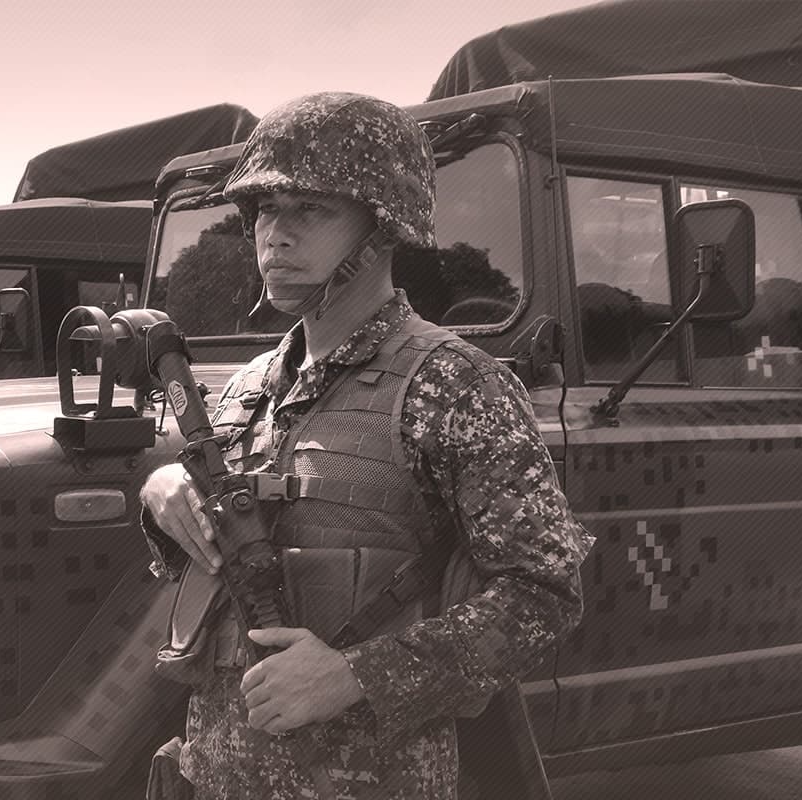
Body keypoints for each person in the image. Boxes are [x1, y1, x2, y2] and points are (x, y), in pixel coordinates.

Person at [136, 93, 591, 799]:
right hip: (222, 774)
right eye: (264, 210)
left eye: (308, 210)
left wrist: (356, 675)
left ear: (382, 227)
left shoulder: (456, 386)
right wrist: (165, 505)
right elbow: (216, 563)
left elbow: (545, 598)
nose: (273, 237)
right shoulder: (249, 386)